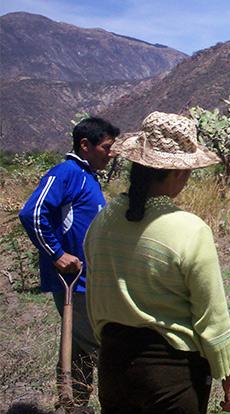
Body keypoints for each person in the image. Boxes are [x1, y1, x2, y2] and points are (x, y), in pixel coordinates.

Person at [83, 112, 230, 413]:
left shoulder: (103, 220)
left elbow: (95, 298)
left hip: (112, 365)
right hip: (170, 375)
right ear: (179, 172)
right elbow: (212, 317)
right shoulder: (189, 229)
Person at [18, 116, 119, 411]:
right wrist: (57, 254)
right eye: (106, 147)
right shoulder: (66, 173)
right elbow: (32, 213)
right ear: (85, 146)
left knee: (77, 348)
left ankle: (74, 404)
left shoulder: (87, 176)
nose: (111, 153)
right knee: (101, 349)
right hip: (74, 283)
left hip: (87, 283)